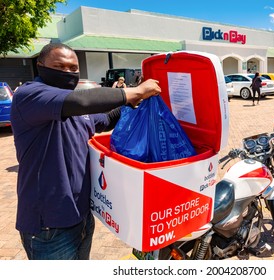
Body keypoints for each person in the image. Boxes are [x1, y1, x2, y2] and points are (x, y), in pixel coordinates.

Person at [10, 43, 161, 260]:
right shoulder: (30, 95)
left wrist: (134, 103)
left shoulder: (73, 106)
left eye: (73, 68)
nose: (68, 73)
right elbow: (82, 101)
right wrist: (133, 91)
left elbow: (105, 118)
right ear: (40, 66)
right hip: (48, 226)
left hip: (81, 217)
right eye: (59, 66)